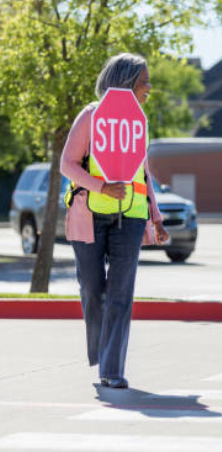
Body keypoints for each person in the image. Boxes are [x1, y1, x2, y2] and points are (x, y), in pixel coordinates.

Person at [61, 53, 169, 389]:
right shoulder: (91, 116)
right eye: (143, 80)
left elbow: (143, 171)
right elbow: (68, 164)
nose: (148, 86)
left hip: (132, 217)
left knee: (121, 293)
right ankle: (101, 353)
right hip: (89, 215)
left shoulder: (139, 120)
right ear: (123, 81)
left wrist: (156, 215)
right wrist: (102, 186)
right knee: (93, 290)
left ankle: (111, 368)